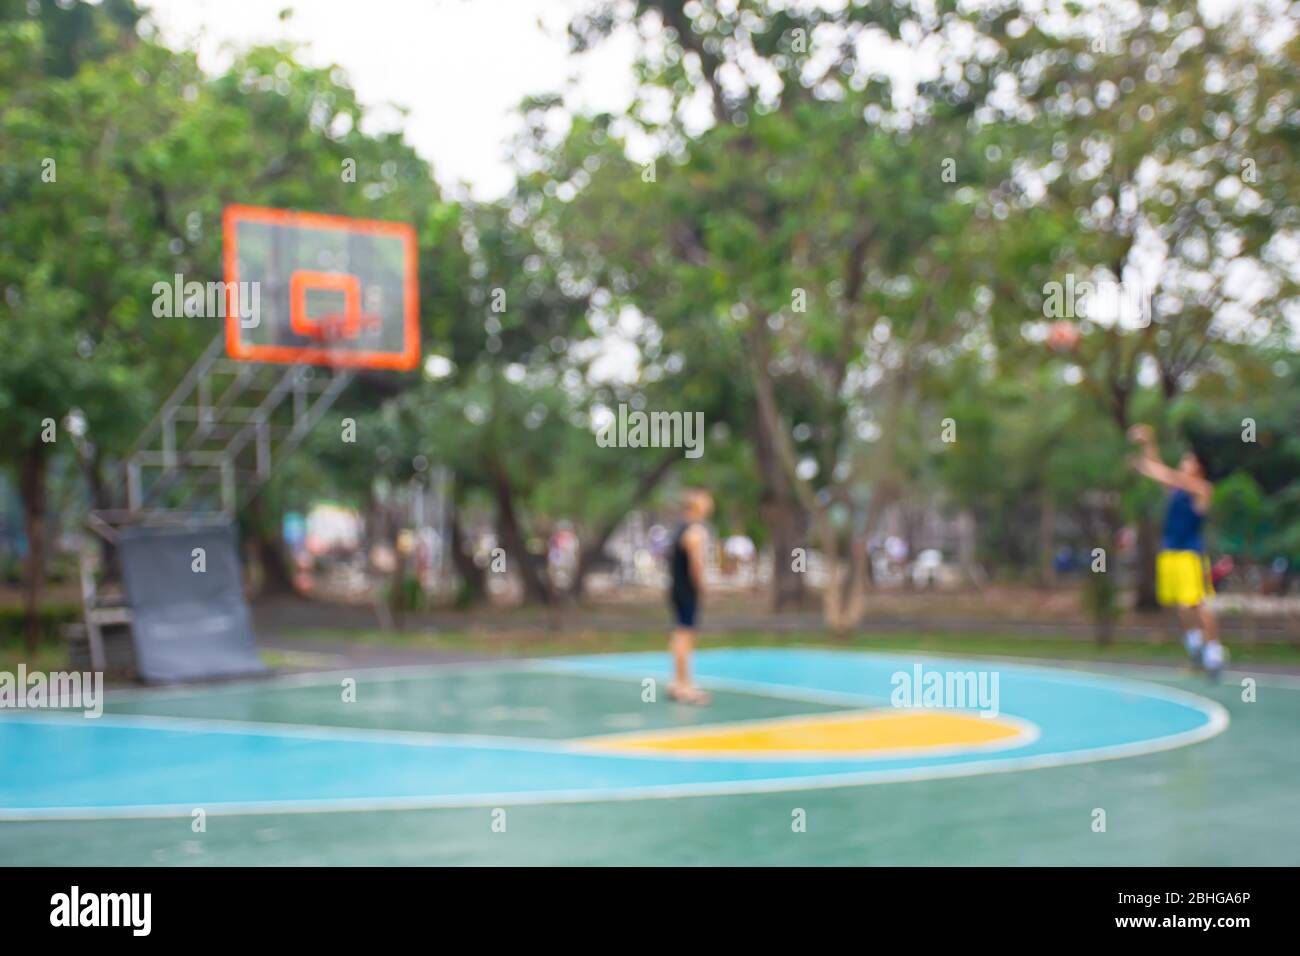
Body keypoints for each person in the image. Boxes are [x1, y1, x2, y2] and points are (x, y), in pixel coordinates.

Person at [1127, 425, 1224, 679]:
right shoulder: (1177, 489)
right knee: (1182, 606)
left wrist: (1146, 466)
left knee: (1197, 603)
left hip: (1190, 555)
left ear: (1199, 467)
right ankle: (1195, 647)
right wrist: (1149, 442)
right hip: (1171, 553)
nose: (1183, 461)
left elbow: (1163, 473)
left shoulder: (1202, 489)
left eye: (1188, 459)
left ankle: (1214, 653)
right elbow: (1159, 470)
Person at [668, 489, 714, 704]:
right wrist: (702, 587)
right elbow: (696, 565)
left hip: (677, 588)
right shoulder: (696, 531)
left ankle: (678, 682)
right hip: (687, 589)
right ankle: (684, 686)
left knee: (681, 633)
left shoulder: (681, 528)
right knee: (685, 635)